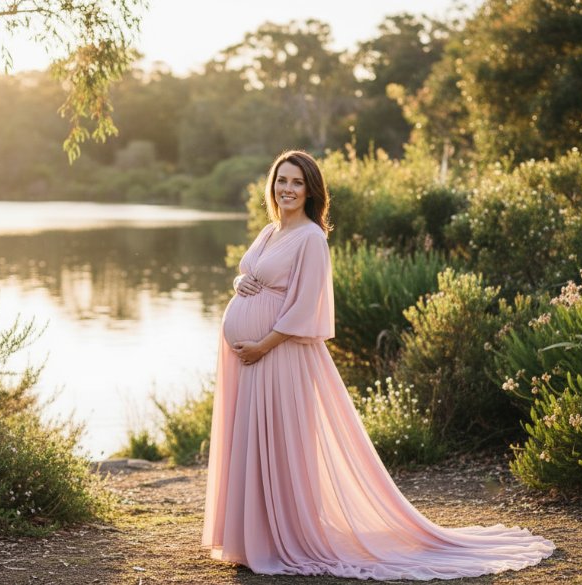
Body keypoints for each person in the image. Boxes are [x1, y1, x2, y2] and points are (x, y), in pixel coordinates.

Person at [202, 150, 555, 580]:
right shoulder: (270, 230)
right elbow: (254, 274)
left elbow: (305, 308)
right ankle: (251, 537)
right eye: (282, 180)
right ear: (272, 185)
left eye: (297, 182)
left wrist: (261, 345)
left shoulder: (311, 238)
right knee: (252, 441)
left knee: (278, 444)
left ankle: (279, 538)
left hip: (279, 355)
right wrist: (241, 282)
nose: (287, 189)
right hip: (249, 359)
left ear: (311, 191)